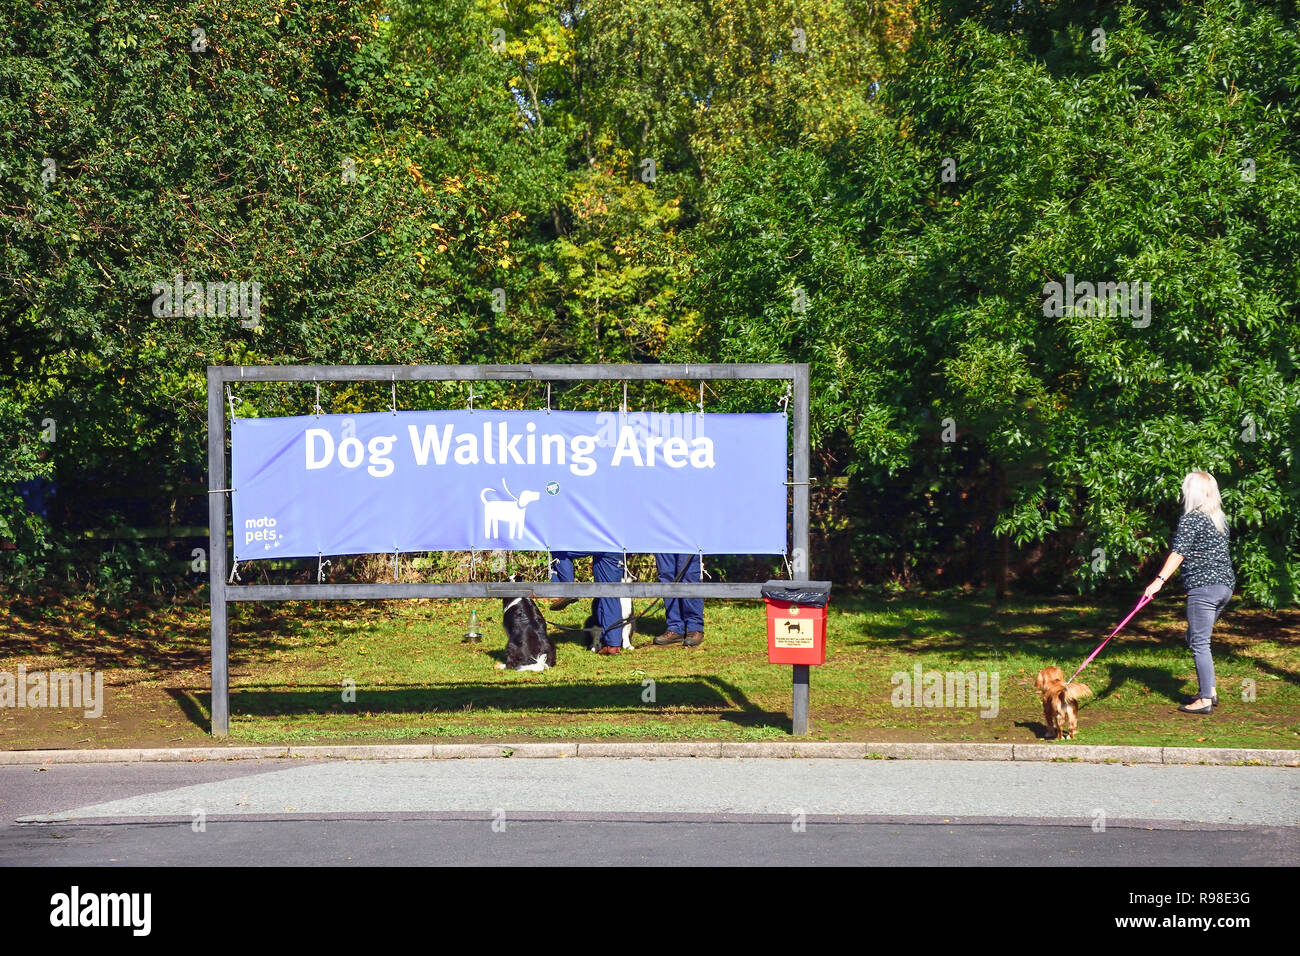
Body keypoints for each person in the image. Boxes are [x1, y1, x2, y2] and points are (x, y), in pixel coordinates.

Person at [1143, 471, 1235, 715]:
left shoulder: (1192, 519)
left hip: (1204, 589)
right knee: (1195, 638)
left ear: (1191, 493)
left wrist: (1158, 581)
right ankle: (1210, 689)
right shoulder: (1218, 519)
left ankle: (1206, 698)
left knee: (1199, 643)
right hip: (1224, 588)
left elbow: (1178, 553)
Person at [549, 551, 626, 655]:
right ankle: (611, 644)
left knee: (560, 549)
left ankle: (566, 590)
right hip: (615, 548)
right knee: (607, 596)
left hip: (602, 543)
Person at [653, 552, 703, 647]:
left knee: (689, 576)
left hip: (688, 539)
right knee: (666, 575)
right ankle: (675, 628)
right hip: (662, 538)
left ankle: (694, 628)